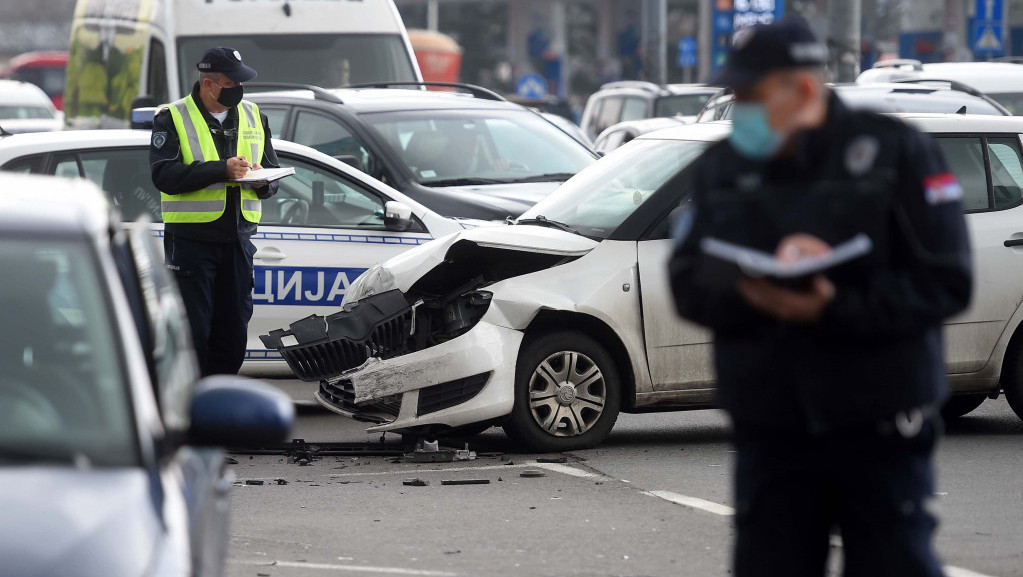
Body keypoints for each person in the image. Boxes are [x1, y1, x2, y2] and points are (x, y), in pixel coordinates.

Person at [669, 19, 972, 577]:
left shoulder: (895, 153)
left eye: (751, 96)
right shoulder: (723, 169)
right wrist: (754, 293)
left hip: (878, 421)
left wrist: (832, 308)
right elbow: (687, 283)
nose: (741, 111)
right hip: (772, 424)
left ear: (803, 89)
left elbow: (947, 282)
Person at [150, 46, 280, 376]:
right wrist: (221, 170)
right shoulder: (172, 116)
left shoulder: (255, 116)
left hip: (238, 242)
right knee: (193, 334)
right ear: (209, 84)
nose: (238, 88)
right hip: (192, 244)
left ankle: (219, 403)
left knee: (234, 333)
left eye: (240, 82)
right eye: (231, 82)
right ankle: (191, 409)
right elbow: (164, 175)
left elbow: (272, 172)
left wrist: (262, 182)